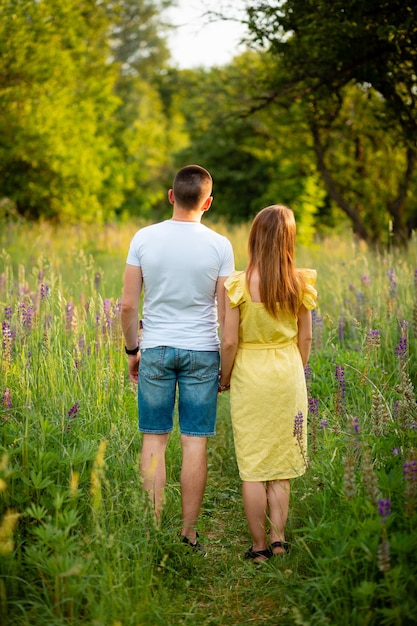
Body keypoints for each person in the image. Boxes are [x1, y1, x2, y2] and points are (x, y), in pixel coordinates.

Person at [121, 164, 234, 555]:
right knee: (193, 442)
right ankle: (188, 534)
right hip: (202, 349)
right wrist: (227, 359)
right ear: (208, 202)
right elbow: (225, 311)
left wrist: (133, 350)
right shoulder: (220, 245)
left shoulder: (143, 238)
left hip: (155, 348)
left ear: (171, 196)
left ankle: (152, 530)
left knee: (154, 439)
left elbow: (127, 305)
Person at [219, 205, 317, 563]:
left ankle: (258, 548)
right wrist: (294, 369)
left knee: (254, 465)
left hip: (251, 374)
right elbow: (305, 340)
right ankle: (279, 540)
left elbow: (229, 342)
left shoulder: (239, 284)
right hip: (287, 372)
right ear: (288, 238)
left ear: (255, 236)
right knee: (280, 464)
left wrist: (224, 378)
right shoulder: (300, 282)